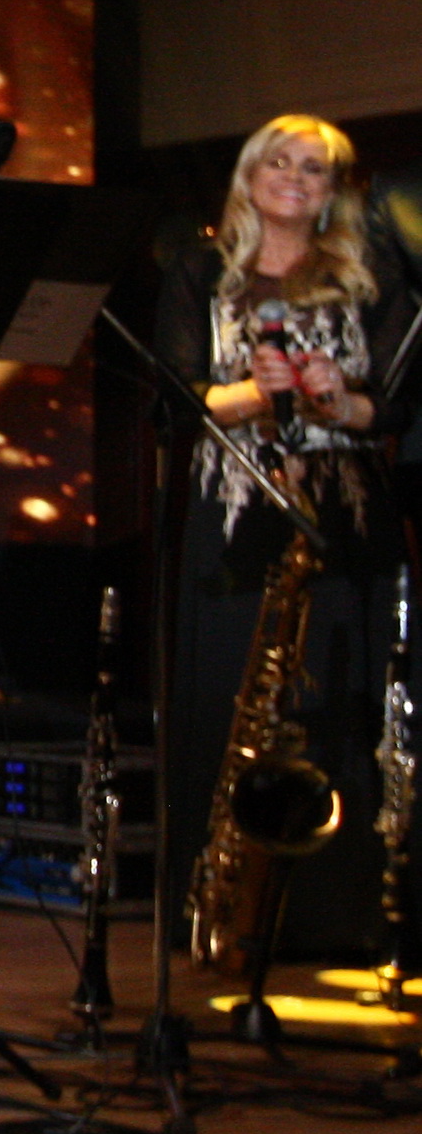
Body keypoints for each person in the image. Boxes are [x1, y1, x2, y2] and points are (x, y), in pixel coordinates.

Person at [154, 116, 417, 964]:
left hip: (344, 518)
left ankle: (342, 919)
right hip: (237, 516)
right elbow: (176, 397)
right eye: (280, 162)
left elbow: (394, 408)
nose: (296, 179)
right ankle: (223, 912)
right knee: (236, 707)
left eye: (315, 168)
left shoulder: (371, 276)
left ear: (335, 191)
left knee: (339, 708)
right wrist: (253, 394)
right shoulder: (200, 269)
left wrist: (339, 400)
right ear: (249, 174)